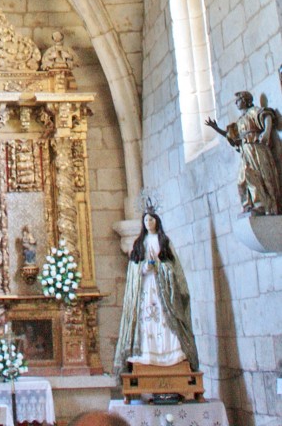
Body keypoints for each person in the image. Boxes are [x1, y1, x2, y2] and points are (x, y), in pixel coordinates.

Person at [113, 209, 199, 376]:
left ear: (157, 222)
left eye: (151, 220)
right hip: (146, 287)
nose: (148, 223)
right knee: (146, 321)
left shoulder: (164, 241)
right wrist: (144, 267)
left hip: (162, 289)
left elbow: (173, 266)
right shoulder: (140, 243)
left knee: (165, 319)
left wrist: (159, 267)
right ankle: (148, 354)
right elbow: (134, 268)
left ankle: (172, 356)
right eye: (146, 220)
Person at [205, 91, 281, 215]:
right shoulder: (240, 121)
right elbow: (231, 136)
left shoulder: (253, 111)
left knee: (260, 175)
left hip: (255, 147)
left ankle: (263, 205)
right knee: (243, 179)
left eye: (238, 100)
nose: (236, 103)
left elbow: (267, 116)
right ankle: (250, 204)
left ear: (245, 100)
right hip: (245, 150)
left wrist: (266, 133)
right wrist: (216, 128)